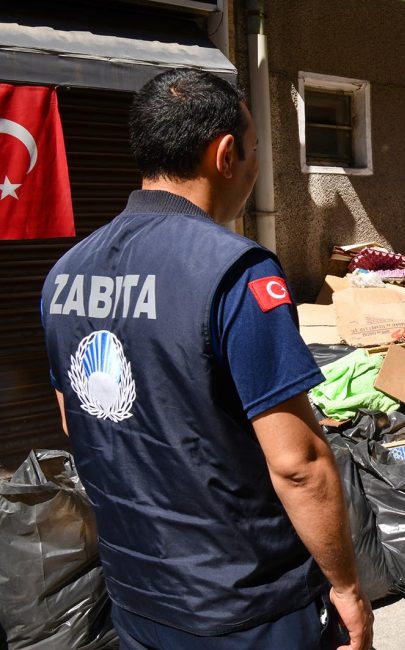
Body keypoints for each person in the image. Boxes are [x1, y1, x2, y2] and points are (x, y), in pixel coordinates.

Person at [39, 70, 371, 648]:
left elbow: (79, 420)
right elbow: (298, 463)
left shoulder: (65, 273)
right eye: (255, 151)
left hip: (135, 593)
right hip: (246, 605)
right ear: (225, 155)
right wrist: (345, 585)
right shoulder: (237, 272)